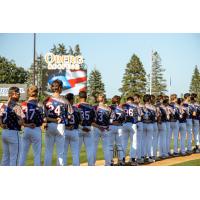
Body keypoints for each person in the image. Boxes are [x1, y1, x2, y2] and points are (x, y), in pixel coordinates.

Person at [43, 79, 73, 166]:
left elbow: (43, 117)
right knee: (60, 152)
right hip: (60, 126)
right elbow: (70, 115)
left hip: (49, 125)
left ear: (52, 88)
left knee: (48, 150)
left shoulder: (46, 100)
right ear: (60, 88)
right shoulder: (65, 100)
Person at [0, 87, 25, 166]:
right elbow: (21, 122)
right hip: (14, 133)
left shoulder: (3, 105)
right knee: (15, 158)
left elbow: (0, 117)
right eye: (18, 94)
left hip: (4, 133)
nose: (19, 95)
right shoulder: (17, 106)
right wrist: (21, 121)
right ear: (13, 93)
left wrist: (1, 124)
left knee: (5, 157)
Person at [19, 85, 44, 166]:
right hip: (36, 129)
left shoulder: (22, 104)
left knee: (23, 153)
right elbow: (42, 120)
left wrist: (26, 125)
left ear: (28, 92)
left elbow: (19, 121)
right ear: (37, 93)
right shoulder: (40, 104)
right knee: (37, 154)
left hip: (26, 129)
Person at [77, 91, 96, 166]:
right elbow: (93, 120)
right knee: (90, 149)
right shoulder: (91, 107)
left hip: (79, 128)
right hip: (88, 128)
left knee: (76, 150)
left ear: (78, 97)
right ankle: (91, 165)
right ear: (86, 97)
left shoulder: (76, 106)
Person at [93, 94, 112, 166]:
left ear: (98, 99)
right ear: (104, 99)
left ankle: (92, 164)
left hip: (96, 128)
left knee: (94, 147)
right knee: (106, 148)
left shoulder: (94, 107)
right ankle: (108, 164)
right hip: (105, 129)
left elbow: (92, 119)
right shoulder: (109, 108)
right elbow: (110, 120)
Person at [64, 93, 82, 166]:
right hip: (74, 131)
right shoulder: (77, 109)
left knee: (63, 152)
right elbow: (80, 121)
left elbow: (61, 120)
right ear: (72, 100)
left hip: (65, 130)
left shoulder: (63, 108)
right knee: (75, 152)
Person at [121, 96, 140, 166]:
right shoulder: (135, 106)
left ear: (127, 100)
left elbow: (120, 116)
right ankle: (132, 160)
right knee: (134, 142)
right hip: (132, 124)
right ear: (132, 100)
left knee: (123, 142)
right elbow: (138, 116)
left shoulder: (123, 105)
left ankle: (122, 159)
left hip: (124, 124)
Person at [109, 95, 126, 166]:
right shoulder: (122, 109)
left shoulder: (108, 107)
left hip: (111, 127)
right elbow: (124, 119)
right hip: (119, 127)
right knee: (120, 145)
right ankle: (121, 161)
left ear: (113, 100)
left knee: (110, 145)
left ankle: (110, 162)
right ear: (118, 101)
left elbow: (106, 117)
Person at [141, 94, 156, 163]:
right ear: (149, 99)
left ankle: (142, 157)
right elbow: (156, 116)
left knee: (142, 141)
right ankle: (149, 157)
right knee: (149, 141)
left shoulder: (140, 106)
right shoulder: (153, 107)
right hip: (150, 124)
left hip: (143, 124)